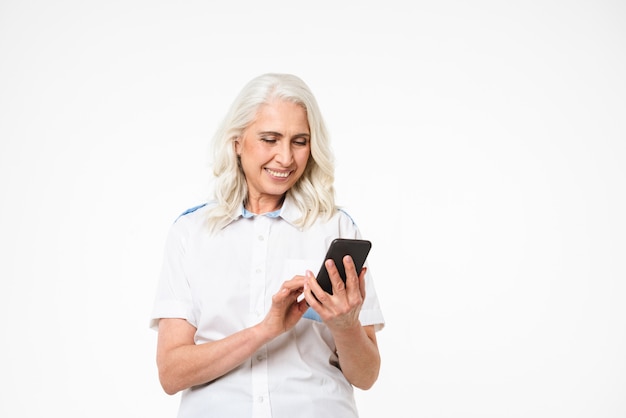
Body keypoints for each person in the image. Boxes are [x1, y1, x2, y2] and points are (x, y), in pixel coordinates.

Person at [149, 73, 385, 418]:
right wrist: (265, 331)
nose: (286, 158)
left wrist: (346, 325)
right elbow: (171, 374)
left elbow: (366, 376)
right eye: (270, 139)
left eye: (300, 141)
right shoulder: (191, 233)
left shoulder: (334, 228)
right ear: (237, 142)